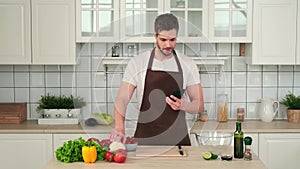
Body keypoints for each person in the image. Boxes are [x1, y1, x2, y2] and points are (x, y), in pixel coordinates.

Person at [112, 13, 204, 146]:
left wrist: (184, 105)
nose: (168, 44)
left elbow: (199, 104)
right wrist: (120, 128)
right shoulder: (138, 62)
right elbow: (122, 99)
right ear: (155, 36)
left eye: (172, 40)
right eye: (163, 40)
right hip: (145, 140)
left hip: (178, 141)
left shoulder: (187, 64)